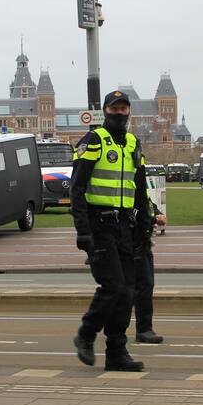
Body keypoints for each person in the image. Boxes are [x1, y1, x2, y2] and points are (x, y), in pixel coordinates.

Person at [71, 90, 151, 372]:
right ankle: (86, 333)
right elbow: (77, 188)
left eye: (124, 108)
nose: (119, 113)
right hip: (99, 224)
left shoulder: (132, 144)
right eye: (114, 108)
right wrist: (83, 230)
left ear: (130, 112)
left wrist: (145, 226)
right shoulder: (94, 140)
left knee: (128, 292)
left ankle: (117, 353)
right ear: (105, 111)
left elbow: (139, 188)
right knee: (113, 286)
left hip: (125, 226)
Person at [133, 183, 166, 345]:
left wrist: (157, 214)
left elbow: (146, 204)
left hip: (142, 241)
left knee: (144, 285)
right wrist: (154, 218)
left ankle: (144, 329)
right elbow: (132, 211)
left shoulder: (137, 182)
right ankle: (143, 329)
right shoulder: (126, 180)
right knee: (132, 288)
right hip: (131, 241)